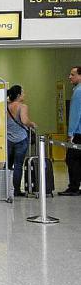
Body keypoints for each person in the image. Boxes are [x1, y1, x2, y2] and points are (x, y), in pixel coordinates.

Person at [6, 85, 36, 196]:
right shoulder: (22, 106)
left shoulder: (6, 106)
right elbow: (24, 120)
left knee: (8, 165)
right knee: (18, 165)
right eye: (23, 93)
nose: (24, 95)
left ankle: (5, 188)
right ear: (18, 95)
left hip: (8, 139)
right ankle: (17, 190)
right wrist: (32, 124)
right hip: (21, 139)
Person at [60, 66, 81, 196]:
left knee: (72, 159)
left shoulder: (78, 91)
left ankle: (74, 187)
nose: (69, 77)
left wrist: (70, 133)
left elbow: (75, 114)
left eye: (72, 74)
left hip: (78, 133)